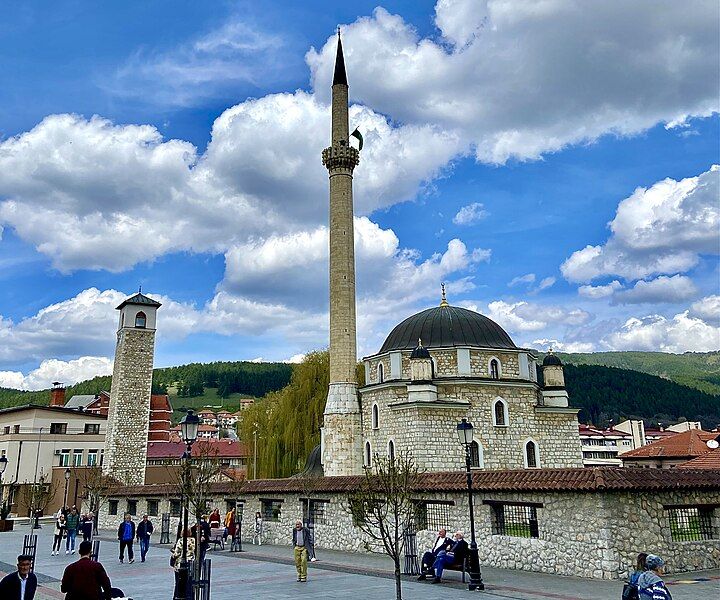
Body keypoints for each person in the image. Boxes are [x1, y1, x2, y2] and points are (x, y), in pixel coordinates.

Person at [171, 529, 196, 600]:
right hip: (190, 563)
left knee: (178, 582)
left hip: (180, 564)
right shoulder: (193, 540)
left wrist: (173, 555)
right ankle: (189, 596)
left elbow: (177, 553)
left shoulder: (181, 540)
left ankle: (177, 596)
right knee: (188, 582)